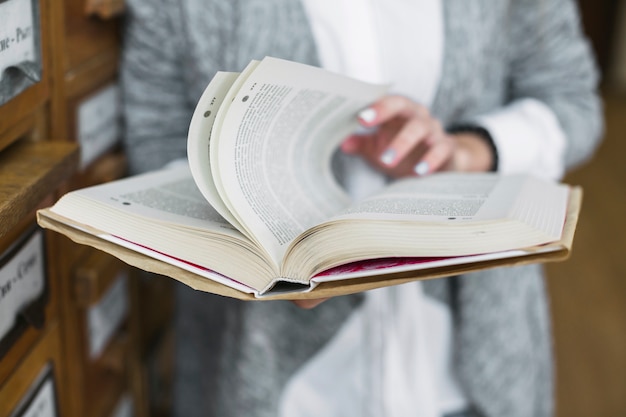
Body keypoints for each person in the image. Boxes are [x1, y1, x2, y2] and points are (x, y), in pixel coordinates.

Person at [120, 1, 602, 416]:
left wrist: (465, 151)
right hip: (274, 378)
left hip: (468, 354)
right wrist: (256, 254)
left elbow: (572, 100)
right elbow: (158, 139)